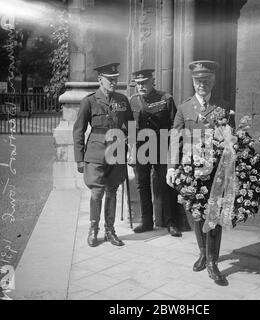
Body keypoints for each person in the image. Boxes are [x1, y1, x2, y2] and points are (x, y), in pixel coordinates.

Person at [166, 60, 234, 283]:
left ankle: (213, 262)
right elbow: (175, 139)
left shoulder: (223, 107)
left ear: (213, 81)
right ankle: (203, 253)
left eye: (206, 80)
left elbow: (231, 141)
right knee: (195, 213)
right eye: (198, 81)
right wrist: (171, 167)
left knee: (213, 213)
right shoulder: (185, 108)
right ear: (193, 82)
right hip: (191, 172)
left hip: (216, 172)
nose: (201, 85)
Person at [73, 62, 133, 247]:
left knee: (112, 191)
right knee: (97, 192)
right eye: (110, 79)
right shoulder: (89, 101)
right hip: (96, 152)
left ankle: (110, 230)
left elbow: (131, 126)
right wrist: (79, 158)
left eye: (115, 79)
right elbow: (78, 131)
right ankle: (93, 229)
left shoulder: (123, 100)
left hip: (116, 152)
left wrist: (130, 149)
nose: (114, 82)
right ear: (100, 80)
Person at [129, 69, 182, 237]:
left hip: (161, 147)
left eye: (144, 82)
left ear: (153, 81)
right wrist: (130, 151)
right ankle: (146, 221)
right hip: (140, 148)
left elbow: (175, 124)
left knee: (166, 184)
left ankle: (170, 222)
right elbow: (130, 127)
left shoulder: (166, 99)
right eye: (138, 83)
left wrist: (173, 148)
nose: (141, 86)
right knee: (142, 184)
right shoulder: (133, 101)